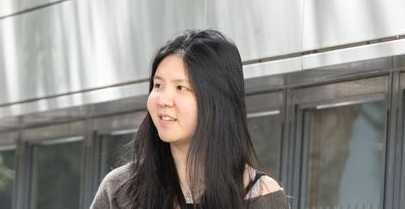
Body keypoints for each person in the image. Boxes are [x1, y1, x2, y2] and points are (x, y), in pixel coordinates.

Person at [91, 30, 290, 208]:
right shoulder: (121, 190)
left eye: (180, 88)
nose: (163, 100)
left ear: (216, 102)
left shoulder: (259, 195)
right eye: (158, 85)